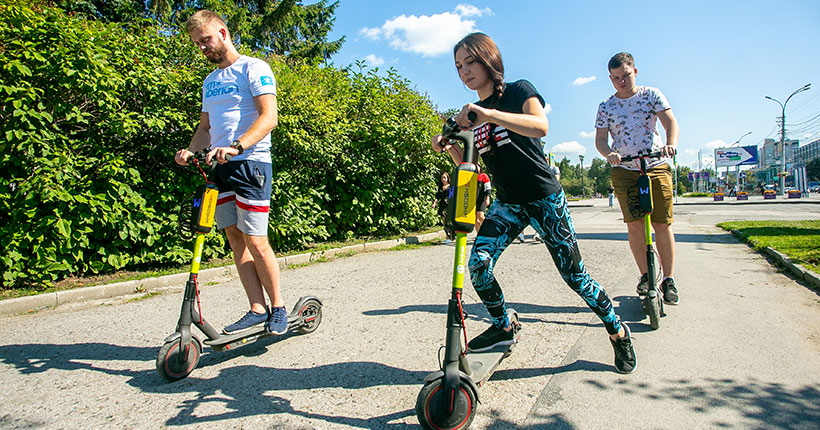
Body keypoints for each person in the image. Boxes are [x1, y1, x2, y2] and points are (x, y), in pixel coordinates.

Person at [431, 33, 636, 373]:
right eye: (457, 66)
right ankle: (503, 324)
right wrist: (448, 146)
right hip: (508, 204)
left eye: (469, 62)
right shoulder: (471, 117)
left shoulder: (518, 91)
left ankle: (617, 330)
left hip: (543, 198)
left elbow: (540, 126)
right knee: (478, 265)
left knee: (575, 277)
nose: (463, 71)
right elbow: (473, 168)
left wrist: (489, 115)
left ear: (488, 60)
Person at [174, 10, 287, 335]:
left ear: (223, 32)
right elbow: (206, 127)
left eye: (205, 40)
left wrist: (238, 146)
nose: (202, 48)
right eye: (197, 44)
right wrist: (191, 151)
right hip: (218, 167)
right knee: (235, 239)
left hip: (251, 164)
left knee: (256, 239)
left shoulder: (254, 68)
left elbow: (269, 118)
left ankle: (277, 307)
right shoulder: (210, 82)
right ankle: (256, 308)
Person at [594, 52, 679, 305]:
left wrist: (670, 145)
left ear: (635, 72)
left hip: (655, 164)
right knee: (635, 224)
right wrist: (610, 154)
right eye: (616, 78)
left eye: (626, 75)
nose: (622, 81)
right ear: (610, 78)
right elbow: (600, 141)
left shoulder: (651, 95)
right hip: (625, 170)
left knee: (662, 223)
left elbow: (670, 122)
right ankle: (645, 275)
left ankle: (669, 280)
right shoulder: (606, 106)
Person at [434, 171, 454, 242]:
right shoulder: (440, 187)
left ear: (448, 178)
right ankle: (447, 236)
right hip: (442, 205)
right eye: (442, 177)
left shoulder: (451, 186)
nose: (443, 179)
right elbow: (438, 196)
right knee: (444, 222)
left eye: (444, 177)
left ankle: (451, 235)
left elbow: (452, 196)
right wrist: (434, 203)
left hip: (449, 205)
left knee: (449, 221)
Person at [475, 165, 492, 233]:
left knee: (481, 216)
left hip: (481, 199)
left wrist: (487, 197)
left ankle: (489, 230)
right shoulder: (471, 177)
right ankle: (479, 235)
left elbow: (488, 187)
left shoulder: (484, 176)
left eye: (477, 166)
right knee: (475, 219)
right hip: (473, 200)